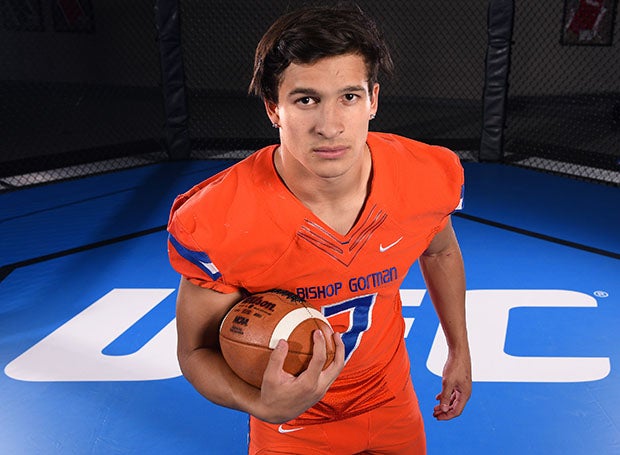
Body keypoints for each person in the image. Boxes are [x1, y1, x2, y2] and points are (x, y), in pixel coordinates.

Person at [167, 5, 471, 454]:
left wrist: (458, 350)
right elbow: (194, 353)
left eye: (348, 97)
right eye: (306, 99)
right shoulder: (218, 216)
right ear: (274, 108)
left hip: (390, 399)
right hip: (294, 424)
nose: (330, 127)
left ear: (373, 100)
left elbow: (440, 251)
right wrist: (261, 404)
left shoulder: (426, 173)